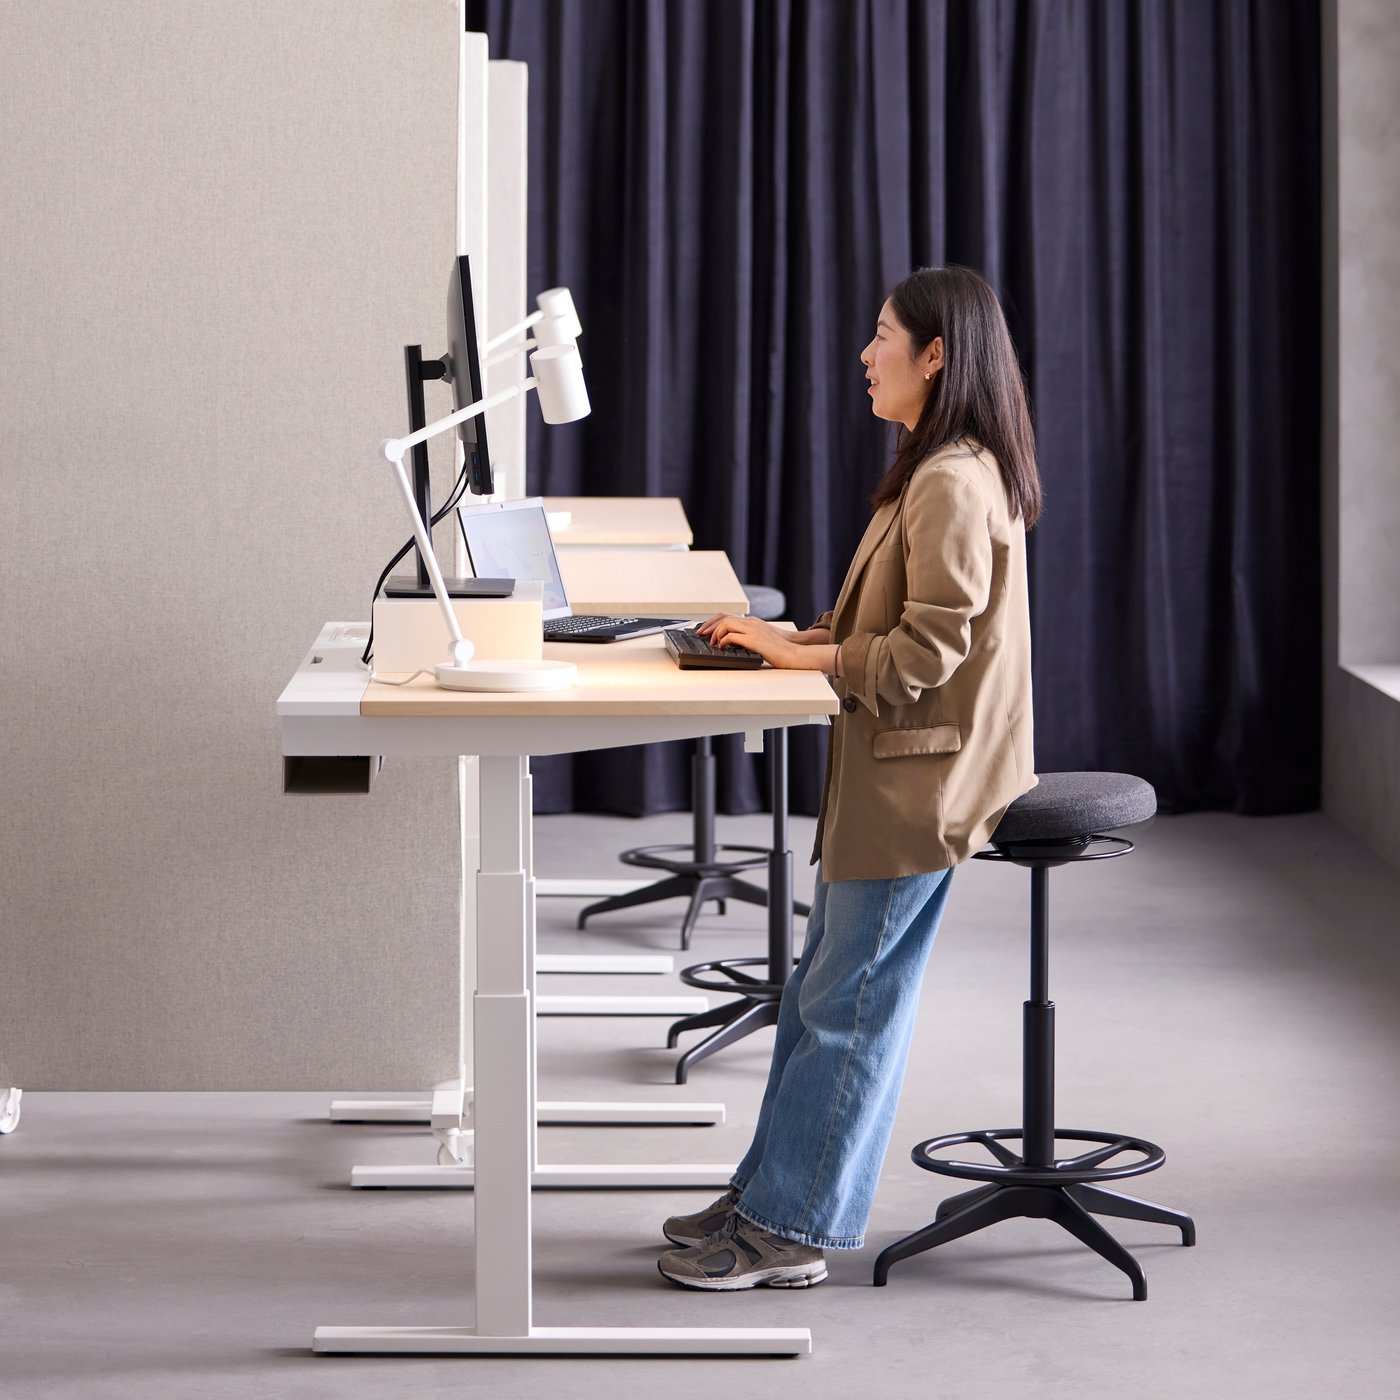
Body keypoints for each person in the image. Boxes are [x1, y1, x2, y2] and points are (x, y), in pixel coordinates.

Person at [656, 264, 1041, 1290]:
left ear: (935, 355)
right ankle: (767, 1191)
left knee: (846, 1007)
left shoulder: (953, 478)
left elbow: (925, 652)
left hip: (924, 784)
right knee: (818, 994)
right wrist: (794, 635)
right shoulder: (931, 465)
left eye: (881, 337)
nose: (864, 354)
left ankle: (792, 1229)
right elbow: (890, 624)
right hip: (888, 774)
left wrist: (799, 657)